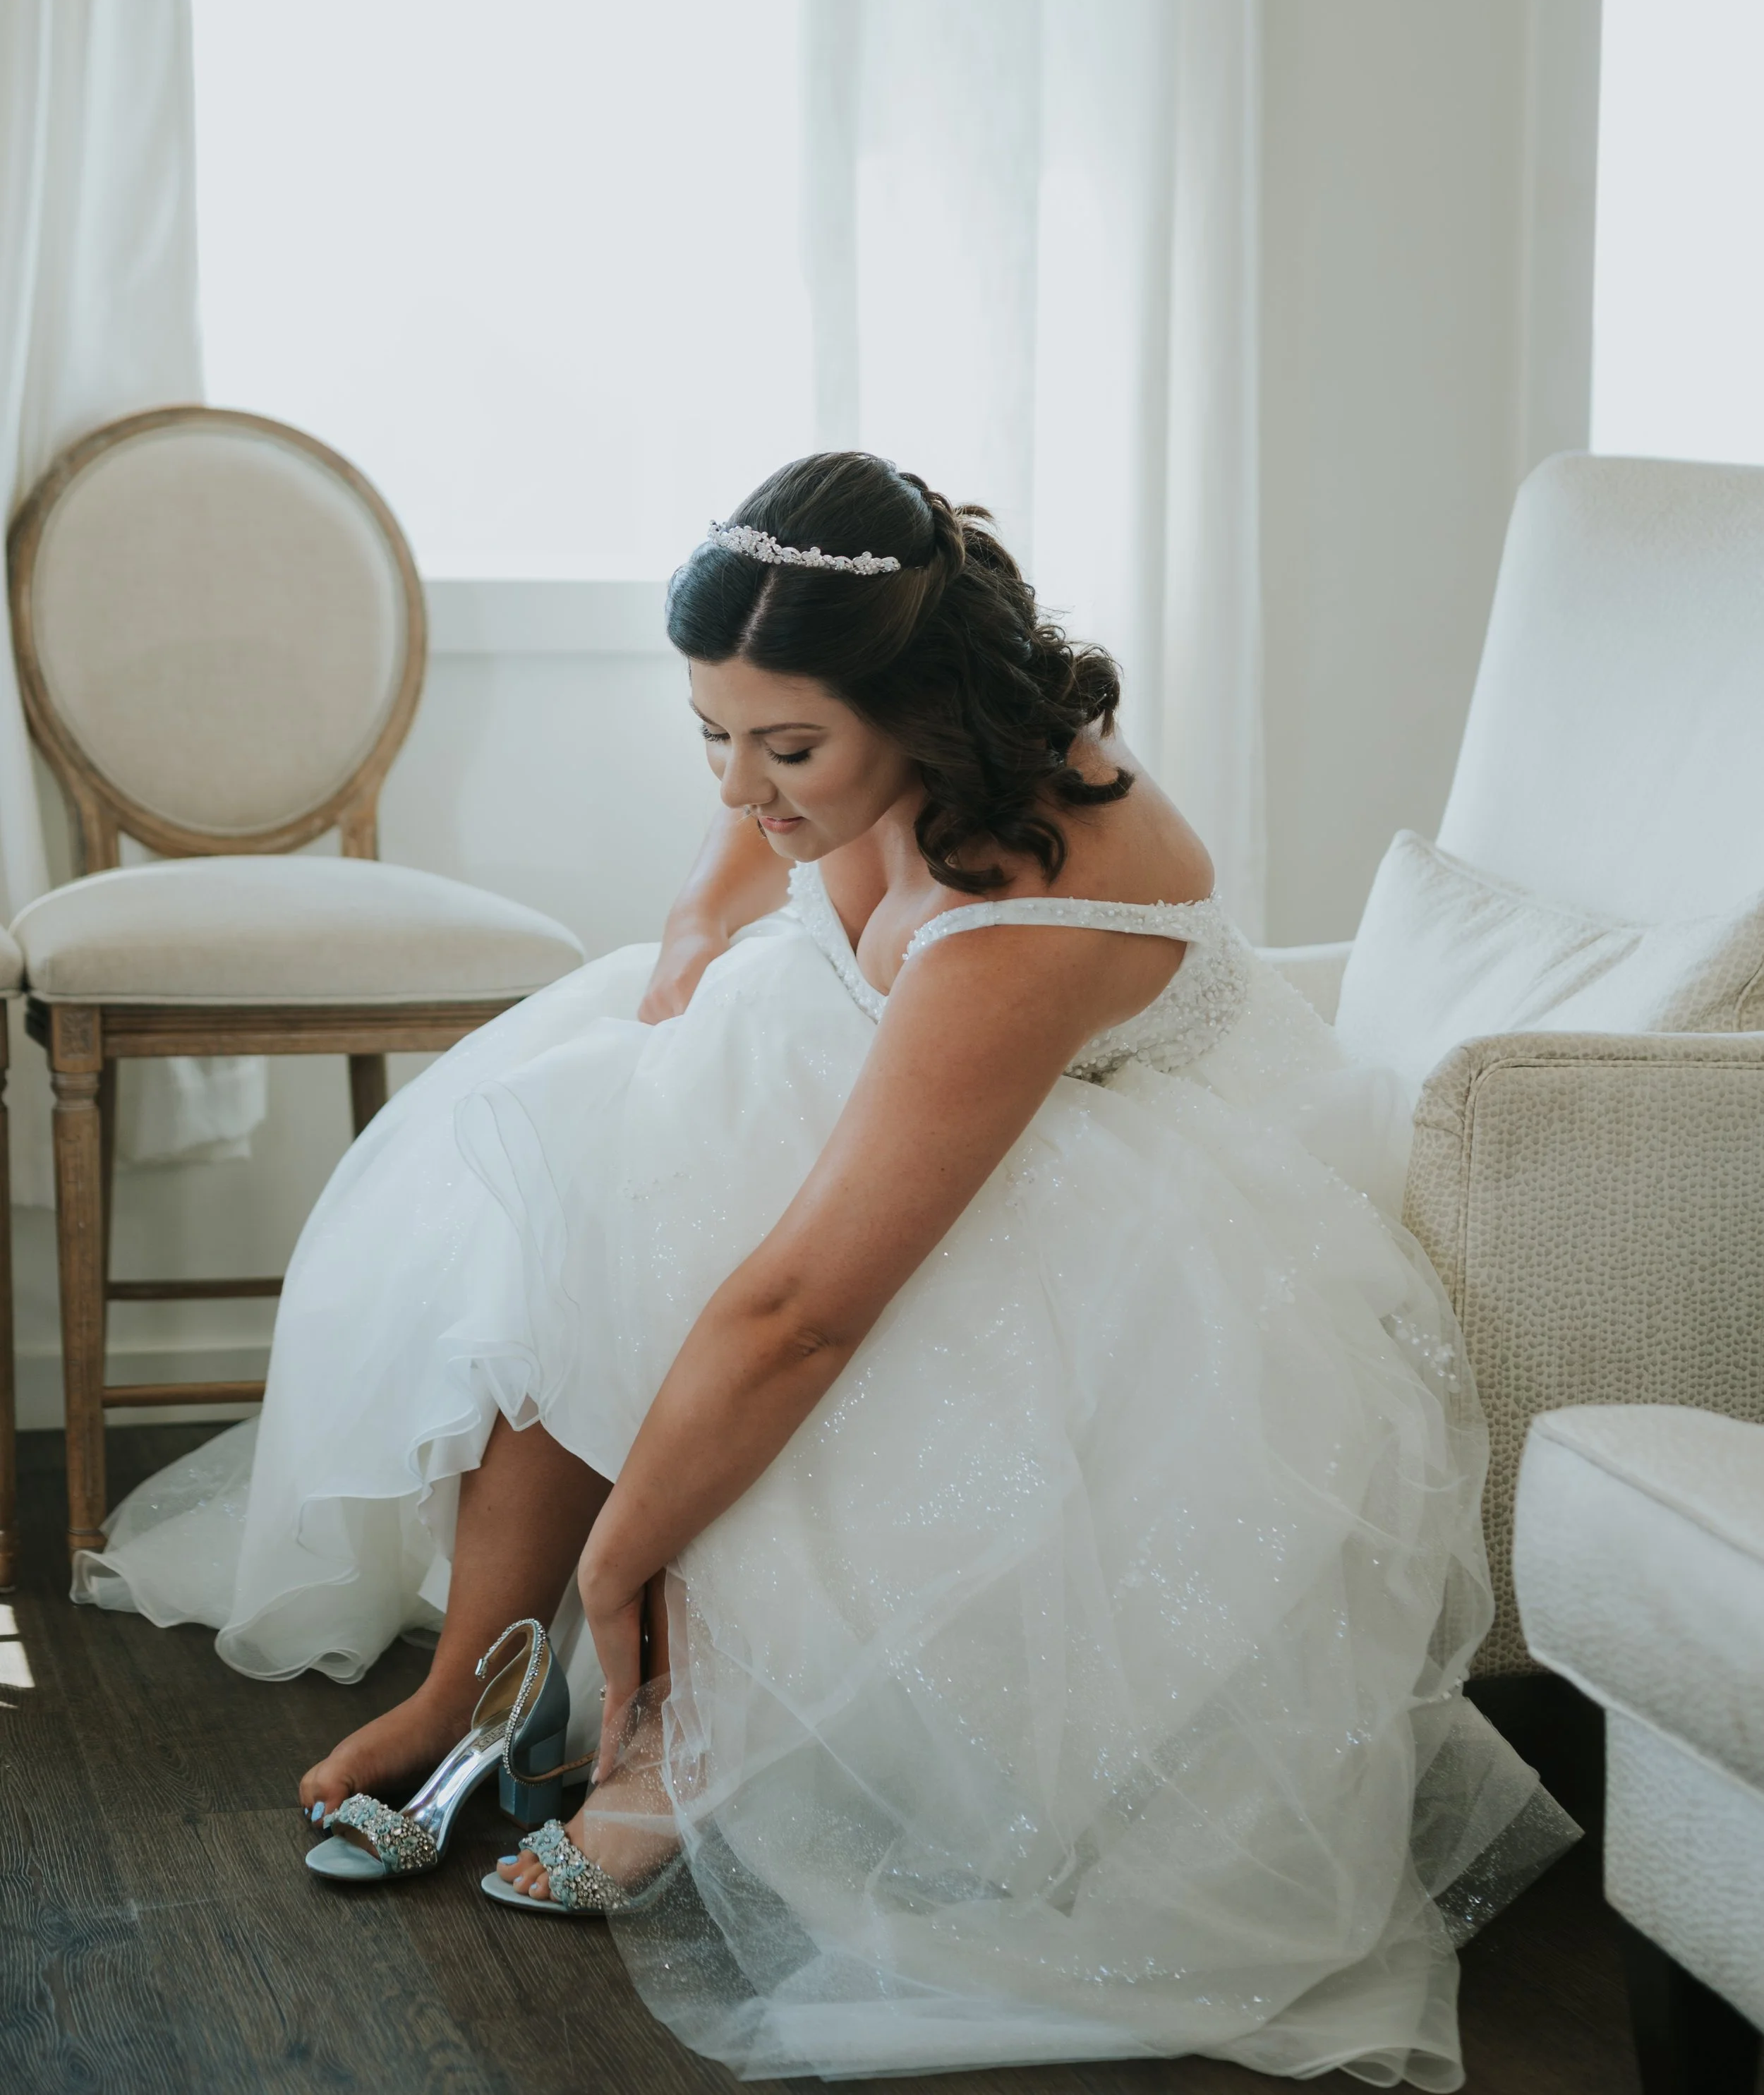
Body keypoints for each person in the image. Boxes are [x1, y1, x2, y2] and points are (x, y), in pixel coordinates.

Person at [78, 452, 1571, 2087]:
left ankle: (661, 1739)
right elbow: (754, 852)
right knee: (587, 1156)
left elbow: (803, 1316)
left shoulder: (1037, 892)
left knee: (738, 1298)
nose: (740, 784)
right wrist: (689, 940)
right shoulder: (845, 729)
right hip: (855, 1067)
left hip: (1093, 1192)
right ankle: (469, 1691)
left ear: (921, 711)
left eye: (785, 748)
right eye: (709, 735)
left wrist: (622, 1545)